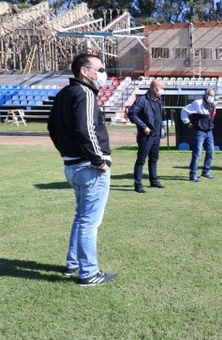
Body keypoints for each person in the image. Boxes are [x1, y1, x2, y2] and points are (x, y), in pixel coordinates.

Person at [47, 53, 117, 287]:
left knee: (81, 217)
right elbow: (86, 128)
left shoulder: (64, 94)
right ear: (84, 71)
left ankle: (73, 264)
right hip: (89, 167)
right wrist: (99, 161)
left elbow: (51, 127)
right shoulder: (84, 93)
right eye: (98, 69)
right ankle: (88, 273)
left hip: (73, 166)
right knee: (89, 222)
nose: (102, 73)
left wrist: (66, 153)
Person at [128, 79, 166, 193]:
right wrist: (143, 126)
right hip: (146, 136)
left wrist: (161, 128)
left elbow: (159, 116)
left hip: (156, 135)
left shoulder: (159, 100)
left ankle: (153, 180)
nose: (163, 90)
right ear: (154, 88)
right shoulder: (142, 100)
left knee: (154, 159)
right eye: (161, 88)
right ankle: (138, 184)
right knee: (141, 160)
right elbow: (131, 113)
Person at [181, 88, 217, 182]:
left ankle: (206, 171)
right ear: (205, 95)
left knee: (211, 152)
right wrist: (187, 123)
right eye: (210, 95)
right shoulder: (198, 103)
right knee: (197, 153)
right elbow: (184, 110)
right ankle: (192, 174)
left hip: (209, 132)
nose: (211, 97)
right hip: (199, 132)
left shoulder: (213, 105)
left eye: (213, 95)